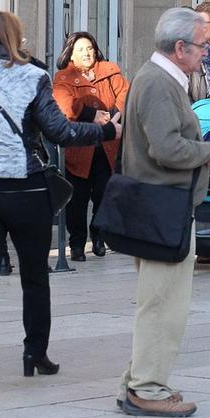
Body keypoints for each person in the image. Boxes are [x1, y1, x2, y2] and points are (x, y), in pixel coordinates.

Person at [0, 13, 119, 387]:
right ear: (17, 38)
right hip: (24, 189)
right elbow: (60, 131)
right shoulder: (33, 77)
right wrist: (107, 129)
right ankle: (35, 353)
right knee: (34, 275)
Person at [119, 7, 210, 417]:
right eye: (202, 45)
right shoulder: (159, 83)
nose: (207, 51)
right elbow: (166, 148)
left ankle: (136, 382)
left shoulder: (158, 79)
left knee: (158, 300)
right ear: (180, 48)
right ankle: (147, 387)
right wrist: (209, 151)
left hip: (160, 206)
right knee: (164, 304)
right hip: (163, 207)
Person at [52, 31, 128, 261]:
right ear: (71, 55)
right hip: (79, 148)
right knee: (77, 199)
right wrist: (92, 114)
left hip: (107, 146)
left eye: (90, 48)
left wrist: (114, 116)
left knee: (105, 194)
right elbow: (65, 105)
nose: (87, 53)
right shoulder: (63, 78)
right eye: (81, 50)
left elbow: (126, 93)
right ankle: (76, 243)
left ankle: (98, 235)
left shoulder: (109, 70)